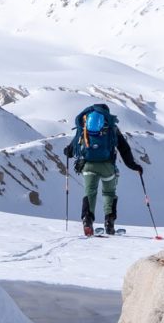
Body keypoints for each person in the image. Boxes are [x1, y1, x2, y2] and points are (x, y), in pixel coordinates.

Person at [61, 101, 142, 237]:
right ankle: (109, 223)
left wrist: (67, 151)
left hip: (88, 165)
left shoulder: (85, 126)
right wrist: (134, 166)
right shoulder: (112, 128)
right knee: (109, 193)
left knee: (90, 192)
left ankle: (87, 220)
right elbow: (124, 149)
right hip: (107, 166)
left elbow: (72, 149)